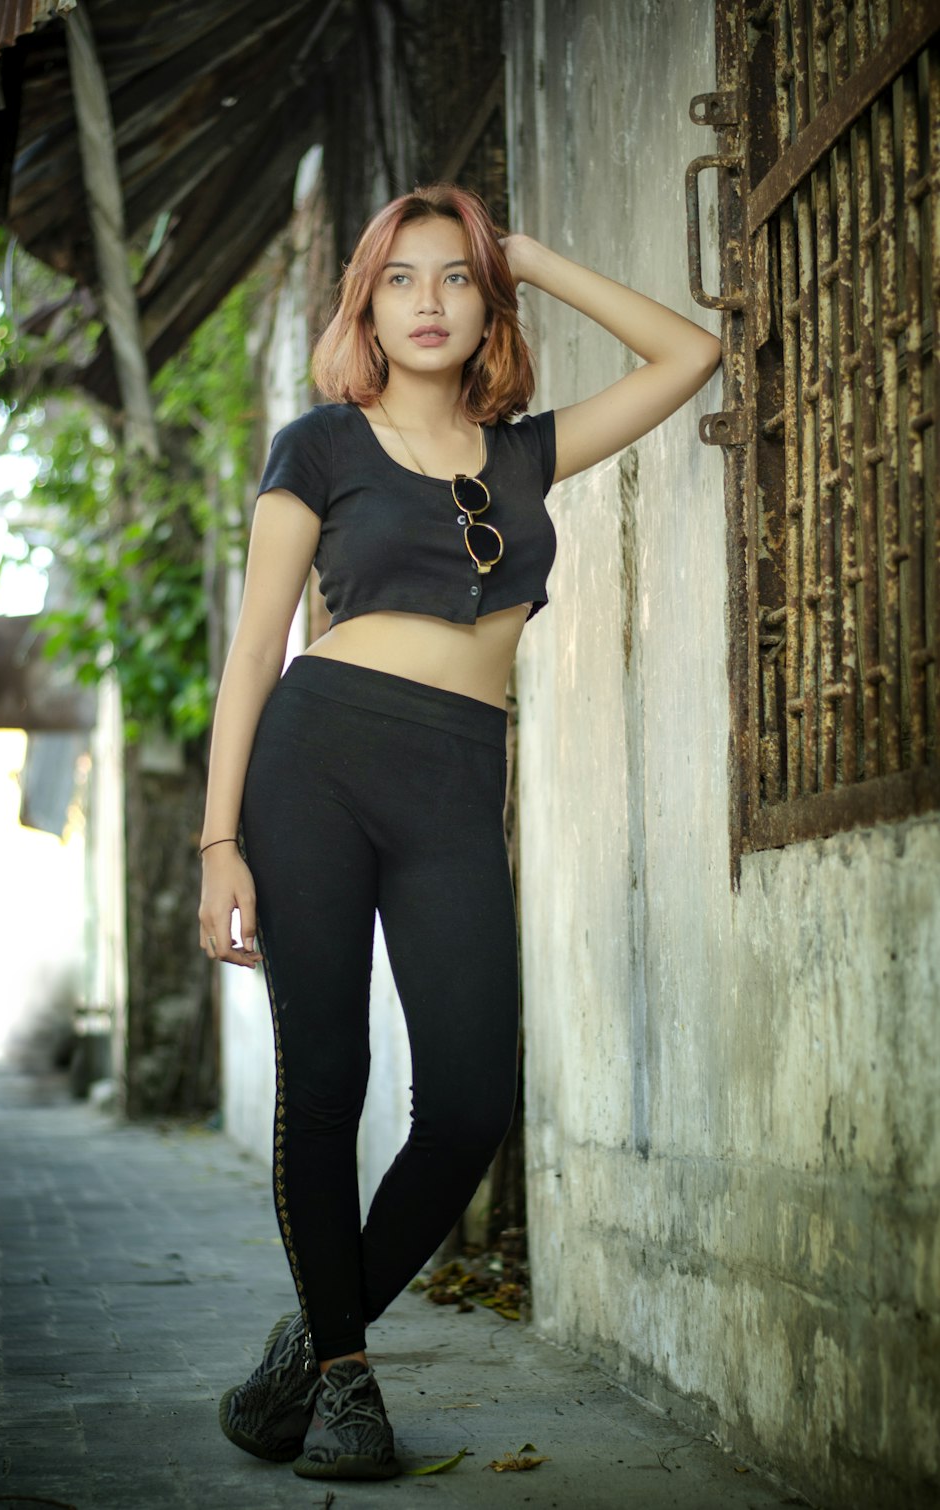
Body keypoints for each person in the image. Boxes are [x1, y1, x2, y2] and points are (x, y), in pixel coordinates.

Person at [198, 183, 721, 1482]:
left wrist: (533, 251)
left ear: (489, 303)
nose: (428, 301)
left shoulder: (526, 454)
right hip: (313, 760)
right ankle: (346, 1382)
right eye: (401, 279)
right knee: (326, 1082)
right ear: (365, 305)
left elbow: (691, 353)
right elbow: (255, 649)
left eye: (457, 277)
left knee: (472, 1096)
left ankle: (309, 1345)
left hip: (451, 779)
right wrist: (218, 842)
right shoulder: (318, 447)